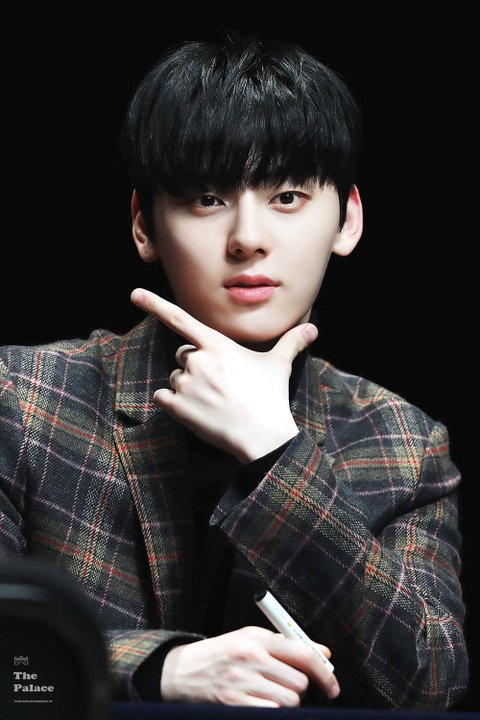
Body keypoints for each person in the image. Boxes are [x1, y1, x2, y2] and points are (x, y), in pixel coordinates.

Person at [0, 34, 468, 710]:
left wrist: (275, 451)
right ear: (144, 225)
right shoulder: (22, 398)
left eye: (287, 197)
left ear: (347, 220)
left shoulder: (403, 443)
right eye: (206, 198)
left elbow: (433, 682)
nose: (247, 237)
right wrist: (159, 668)